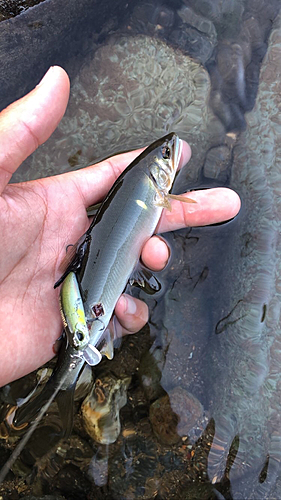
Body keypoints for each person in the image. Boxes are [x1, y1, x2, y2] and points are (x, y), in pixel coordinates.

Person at [0, 66, 241, 387]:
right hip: (84, 313)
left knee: (134, 287)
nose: (173, 152)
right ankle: (63, 383)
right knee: (137, 284)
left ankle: (63, 380)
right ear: (158, 177)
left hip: (82, 312)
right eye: (167, 156)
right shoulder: (158, 190)